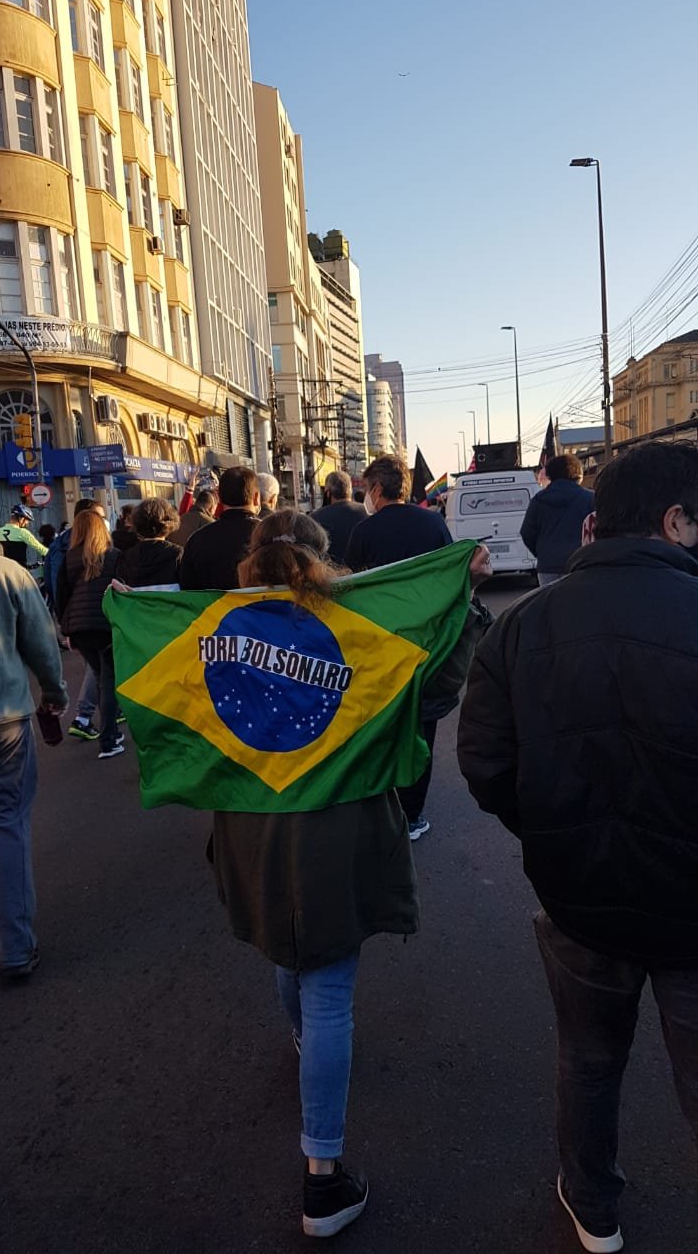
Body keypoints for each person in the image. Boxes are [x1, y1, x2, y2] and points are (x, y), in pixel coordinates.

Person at [206, 508, 486, 1237]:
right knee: (330, 990)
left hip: (252, 821)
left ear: (251, 558)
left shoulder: (208, 630)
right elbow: (430, 694)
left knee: (284, 942)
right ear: (327, 559)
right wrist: (462, 603)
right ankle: (321, 1182)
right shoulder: (361, 633)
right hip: (340, 820)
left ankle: (303, 1047)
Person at [457, 441, 698, 1254]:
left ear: (595, 524)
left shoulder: (522, 627)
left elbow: (485, 762)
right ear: (675, 521)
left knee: (589, 1061)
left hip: (578, 899)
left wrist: (553, 829)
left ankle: (593, 1206)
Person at [0, 501, 68, 979]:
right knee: (3, 826)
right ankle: (14, 947)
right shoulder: (6, 574)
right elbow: (40, 642)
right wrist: (54, 695)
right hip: (0, 722)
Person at [345, 455, 453, 840]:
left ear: (376, 489)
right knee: (423, 727)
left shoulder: (364, 532)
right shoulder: (434, 523)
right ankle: (413, 815)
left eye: (366, 489)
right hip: (426, 643)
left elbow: (351, 590)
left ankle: (382, 804)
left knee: (381, 725)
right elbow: (450, 576)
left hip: (378, 644)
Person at [55, 510, 123, 759]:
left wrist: (66, 628)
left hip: (79, 627)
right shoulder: (114, 556)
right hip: (105, 625)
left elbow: (60, 594)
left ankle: (107, 731)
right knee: (108, 681)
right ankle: (109, 739)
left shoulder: (69, 557)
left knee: (100, 675)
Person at [45, 500, 105, 739]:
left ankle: (100, 710)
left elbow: (54, 587)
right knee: (98, 670)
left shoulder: (59, 548)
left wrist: (65, 624)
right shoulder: (85, 550)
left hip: (75, 622)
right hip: (92, 622)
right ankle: (83, 716)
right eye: (99, 517)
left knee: (97, 669)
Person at [179, 465, 260, 591]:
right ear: (256, 498)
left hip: (212, 610)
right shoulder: (270, 535)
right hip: (260, 609)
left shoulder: (197, 540)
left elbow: (188, 590)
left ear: (220, 499)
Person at [520, 453, 595, 585]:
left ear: (550, 474)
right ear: (577, 474)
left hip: (548, 565)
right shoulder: (589, 499)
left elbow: (526, 532)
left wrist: (542, 552)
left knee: (551, 604)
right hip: (581, 563)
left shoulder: (538, 500)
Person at [116, 498, 181, 588]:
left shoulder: (126, 557)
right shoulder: (177, 554)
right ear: (169, 523)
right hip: (170, 601)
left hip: (137, 601)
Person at [311, 471, 366, 565]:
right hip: (364, 574)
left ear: (328, 493)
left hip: (330, 574)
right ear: (350, 490)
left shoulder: (316, 517)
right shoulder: (367, 512)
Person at [0, 504, 49, 570]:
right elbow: (41, 549)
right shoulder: (22, 532)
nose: (27, 523)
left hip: (1, 570)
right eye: (27, 520)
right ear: (22, 519)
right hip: (18, 570)